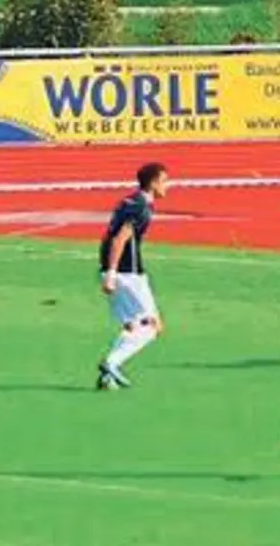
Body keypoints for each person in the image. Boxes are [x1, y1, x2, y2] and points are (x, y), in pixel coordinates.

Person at [96, 162, 170, 390]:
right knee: (153, 326)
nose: (167, 186)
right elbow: (120, 239)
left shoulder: (128, 201)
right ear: (153, 182)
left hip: (115, 269)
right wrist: (112, 273)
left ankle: (107, 377)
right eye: (164, 180)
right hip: (127, 274)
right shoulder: (141, 207)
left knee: (131, 325)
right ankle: (112, 362)